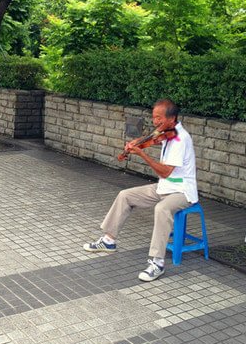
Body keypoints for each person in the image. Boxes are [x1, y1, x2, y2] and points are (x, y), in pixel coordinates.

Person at [83, 99, 198, 282]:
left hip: (182, 191)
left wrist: (142, 154)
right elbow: (154, 140)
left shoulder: (180, 139)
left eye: (159, 118)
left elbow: (166, 172)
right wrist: (137, 142)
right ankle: (109, 240)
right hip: (164, 187)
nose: (155, 122)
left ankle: (157, 263)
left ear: (172, 118)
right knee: (125, 196)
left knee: (162, 209)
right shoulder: (168, 132)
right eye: (154, 118)